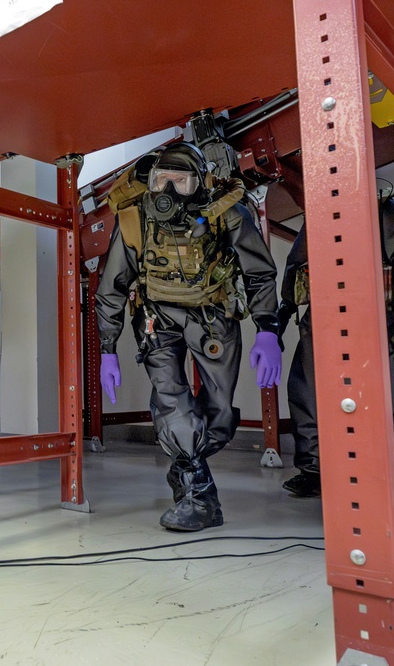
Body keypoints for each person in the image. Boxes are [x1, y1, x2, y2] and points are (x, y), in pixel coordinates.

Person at [95, 142, 282, 532]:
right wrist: (107, 348)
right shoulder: (134, 219)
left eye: (179, 182)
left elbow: (259, 272)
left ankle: (186, 464)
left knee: (219, 414)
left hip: (214, 316)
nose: (167, 193)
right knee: (171, 400)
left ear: (199, 183)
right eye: (161, 181)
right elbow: (112, 285)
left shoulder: (226, 213)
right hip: (156, 318)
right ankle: (200, 498)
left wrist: (268, 329)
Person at [277, 191, 394, 497]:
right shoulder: (320, 210)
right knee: (307, 392)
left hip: (376, 312)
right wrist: (284, 309)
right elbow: (297, 262)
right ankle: (314, 469)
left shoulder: (387, 211)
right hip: (321, 313)